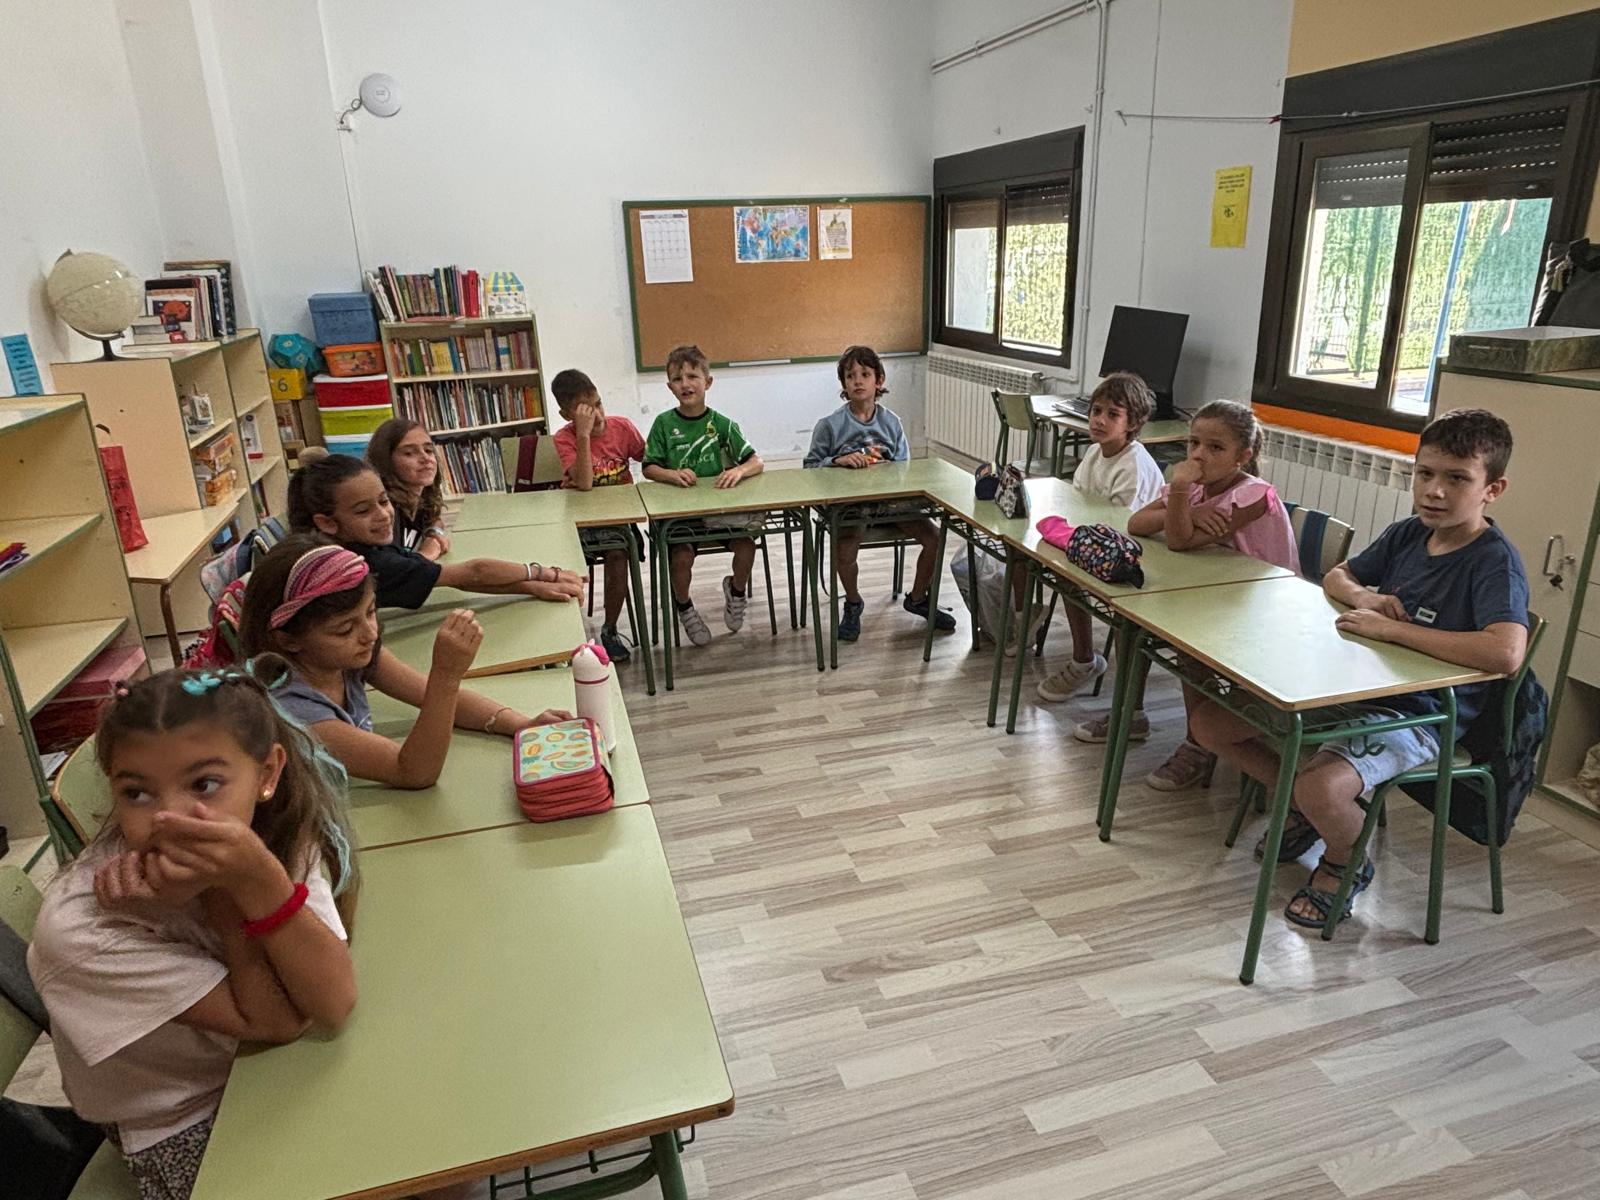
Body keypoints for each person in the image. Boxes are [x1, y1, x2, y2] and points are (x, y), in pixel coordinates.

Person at [27, 666, 359, 1199]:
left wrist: (256, 878)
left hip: (281, 1072)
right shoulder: (84, 928)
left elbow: (333, 1003)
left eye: (204, 785)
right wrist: (230, 894)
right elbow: (278, 1022)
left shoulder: (272, 833)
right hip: (183, 1121)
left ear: (267, 774)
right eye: (137, 792)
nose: (169, 817)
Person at [1190, 408, 1529, 928]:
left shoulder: (1493, 562)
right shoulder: (1410, 533)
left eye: (1457, 479)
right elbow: (1338, 575)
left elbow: (1505, 652)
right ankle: (1309, 809)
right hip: (1353, 687)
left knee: (1322, 787)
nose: (1434, 491)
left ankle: (1345, 859)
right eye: (1425, 474)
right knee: (1211, 724)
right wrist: (1366, 598)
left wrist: (1393, 631)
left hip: (1421, 713)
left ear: (1493, 489)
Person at [239, 537, 571, 788]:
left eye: (371, 612)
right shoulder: (293, 712)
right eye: (344, 629)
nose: (369, 633)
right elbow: (413, 771)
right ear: (288, 640)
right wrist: (446, 674)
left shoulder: (346, 656)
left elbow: (429, 694)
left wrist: (521, 725)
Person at [1107, 399, 1298, 790]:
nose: (1198, 455)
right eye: (1194, 443)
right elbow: (1137, 523)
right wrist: (1189, 510)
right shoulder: (1198, 492)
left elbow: (1179, 541)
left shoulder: (1253, 495)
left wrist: (1179, 491)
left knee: (1190, 648)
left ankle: (1198, 744)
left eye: (1215, 447)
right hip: (1217, 599)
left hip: (1266, 614)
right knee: (1142, 625)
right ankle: (1142, 717)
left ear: (1243, 457)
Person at [286, 453, 582, 611]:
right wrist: (545, 574)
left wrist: (530, 587)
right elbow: (473, 572)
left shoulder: (359, 545)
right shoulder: (360, 564)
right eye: (363, 511)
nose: (383, 515)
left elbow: (452, 578)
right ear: (327, 523)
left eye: (384, 501)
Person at [803, 344, 955, 642]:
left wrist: (890, 471)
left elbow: (905, 468)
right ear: (843, 384)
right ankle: (853, 602)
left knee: (935, 539)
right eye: (850, 376)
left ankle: (918, 598)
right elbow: (809, 467)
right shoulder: (830, 426)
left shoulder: (892, 422)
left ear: (879, 380)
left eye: (865, 374)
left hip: (890, 503)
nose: (857, 381)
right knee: (845, 549)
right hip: (852, 505)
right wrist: (837, 460)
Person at [1035, 372, 1164, 699]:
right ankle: (1082, 657)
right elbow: (1077, 501)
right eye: (1096, 411)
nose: (1100, 420)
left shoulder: (1134, 464)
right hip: (1100, 543)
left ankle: (1091, 667)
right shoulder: (1095, 452)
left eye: (1113, 414)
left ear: (1133, 423)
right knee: (1060, 567)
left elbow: (1124, 526)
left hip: (1137, 556)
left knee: (1073, 575)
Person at [641, 344, 765, 647]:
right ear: (670, 387)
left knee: (747, 547)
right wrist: (671, 474)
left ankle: (736, 592)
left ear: (707, 382)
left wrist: (740, 471)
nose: (685, 384)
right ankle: (684, 607)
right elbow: (648, 468)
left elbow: (756, 461)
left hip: (719, 513)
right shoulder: (663, 424)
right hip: (681, 516)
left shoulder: (722, 424)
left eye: (692, 376)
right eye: (677, 378)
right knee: (681, 557)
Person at [551, 368, 646, 662]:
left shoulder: (622, 428)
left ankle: (610, 628)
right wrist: (582, 435)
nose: (598, 416)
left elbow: (652, 459)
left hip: (618, 519)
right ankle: (567, 636)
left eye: (599, 405)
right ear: (567, 415)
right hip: (580, 522)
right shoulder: (565, 438)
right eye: (585, 413)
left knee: (619, 554)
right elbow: (584, 484)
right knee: (564, 564)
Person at [365, 419, 448, 560]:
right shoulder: (385, 509)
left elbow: (435, 520)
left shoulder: (420, 498)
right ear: (386, 461)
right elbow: (390, 568)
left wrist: (434, 533)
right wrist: (425, 555)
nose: (425, 458)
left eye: (428, 450)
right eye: (409, 453)